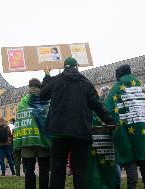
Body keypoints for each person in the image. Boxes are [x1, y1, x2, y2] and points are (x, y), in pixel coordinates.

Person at [40, 57, 115, 189]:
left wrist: (46, 76)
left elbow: (42, 95)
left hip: (59, 132)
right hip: (80, 132)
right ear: (77, 67)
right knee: (80, 169)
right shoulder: (85, 82)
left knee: (57, 168)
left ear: (65, 67)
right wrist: (110, 121)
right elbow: (97, 105)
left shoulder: (56, 80)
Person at [105, 64, 145, 189]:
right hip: (144, 131)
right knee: (144, 160)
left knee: (130, 160)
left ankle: (132, 186)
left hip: (126, 132)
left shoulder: (117, 88)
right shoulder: (139, 87)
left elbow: (108, 109)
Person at [14, 78, 50, 189]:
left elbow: (19, 123)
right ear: (40, 87)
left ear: (29, 87)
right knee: (44, 169)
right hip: (43, 141)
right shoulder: (46, 102)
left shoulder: (23, 103)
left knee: (29, 170)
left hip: (28, 140)